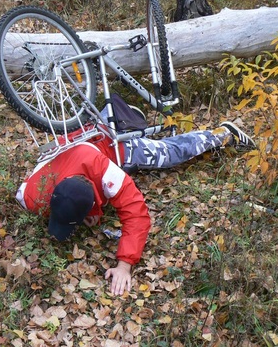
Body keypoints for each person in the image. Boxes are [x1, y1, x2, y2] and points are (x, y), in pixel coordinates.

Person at [16, 120, 256, 296]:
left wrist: (124, 265)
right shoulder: (31, 195)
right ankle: (131, 117)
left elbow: (137, 215)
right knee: (120, 123)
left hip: (112, 147)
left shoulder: (107, 174)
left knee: (168, 154)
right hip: (82, 137)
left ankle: (222, 134)